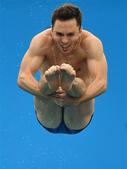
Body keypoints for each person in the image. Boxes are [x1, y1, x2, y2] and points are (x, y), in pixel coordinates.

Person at [17, 4, 107, 134]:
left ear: (80, 31)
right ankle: (55, 82)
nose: (64, 40)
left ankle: (69, 82)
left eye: (70, 34)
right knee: (44, 83)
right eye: (59, 34)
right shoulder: (41, 41)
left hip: (78, 114)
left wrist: (75, 101)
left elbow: (101, 83)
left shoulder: (91, 44)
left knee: (79, 85)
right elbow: (22, 78)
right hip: (48, 112)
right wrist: (50, 98)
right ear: (52, 30)